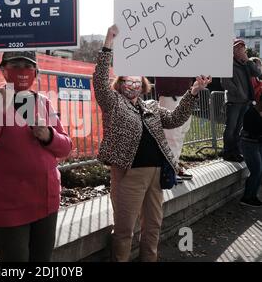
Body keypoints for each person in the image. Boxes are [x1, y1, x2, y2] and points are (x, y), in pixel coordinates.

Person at [93, 24, 211, 262]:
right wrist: (109, 42)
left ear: (143, 84)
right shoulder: (113, 103)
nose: (133, 84)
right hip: (129, 174)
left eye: (137, 81)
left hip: (156, 175)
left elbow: (176, 118)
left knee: (153, 226)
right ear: (120, 83)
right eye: (127, 80)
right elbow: (98, 80)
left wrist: (194, 91)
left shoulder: (152, 107)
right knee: (125, 229)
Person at [0, 51, 72, 262]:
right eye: (15, 65)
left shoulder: (43, 102)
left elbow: (65, 147)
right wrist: (0, 106)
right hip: (8, 204)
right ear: (3, 71)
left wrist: (49, 135)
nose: (22, 70)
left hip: (45, 201)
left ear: (36, 72)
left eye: (27, 65)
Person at [221, 39, 262, 162]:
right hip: (234, 101)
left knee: (238, 128)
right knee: (231, 128)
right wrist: (238, 92)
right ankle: (228, 152)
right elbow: (225, 82)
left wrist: (249, 61)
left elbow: (258, 73)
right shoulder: (228, 64)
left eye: (242, 48)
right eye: (238, 48)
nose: (241, 50)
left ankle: (236, 151)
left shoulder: (246, 64)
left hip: (245, 101)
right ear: (232, 51)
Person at [155, 77, 194, 179]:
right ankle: (169, 170)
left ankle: (174, 166)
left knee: (181, 133)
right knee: (172, 136)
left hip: (184, 94)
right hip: (171, 95)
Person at [239, 92, 262, 207]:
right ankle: (247, 197)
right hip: (249, 144)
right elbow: (252, 131)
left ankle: (253, 195)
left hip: (258, 144)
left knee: (260, 171)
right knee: (256, 171)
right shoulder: (250, 113)